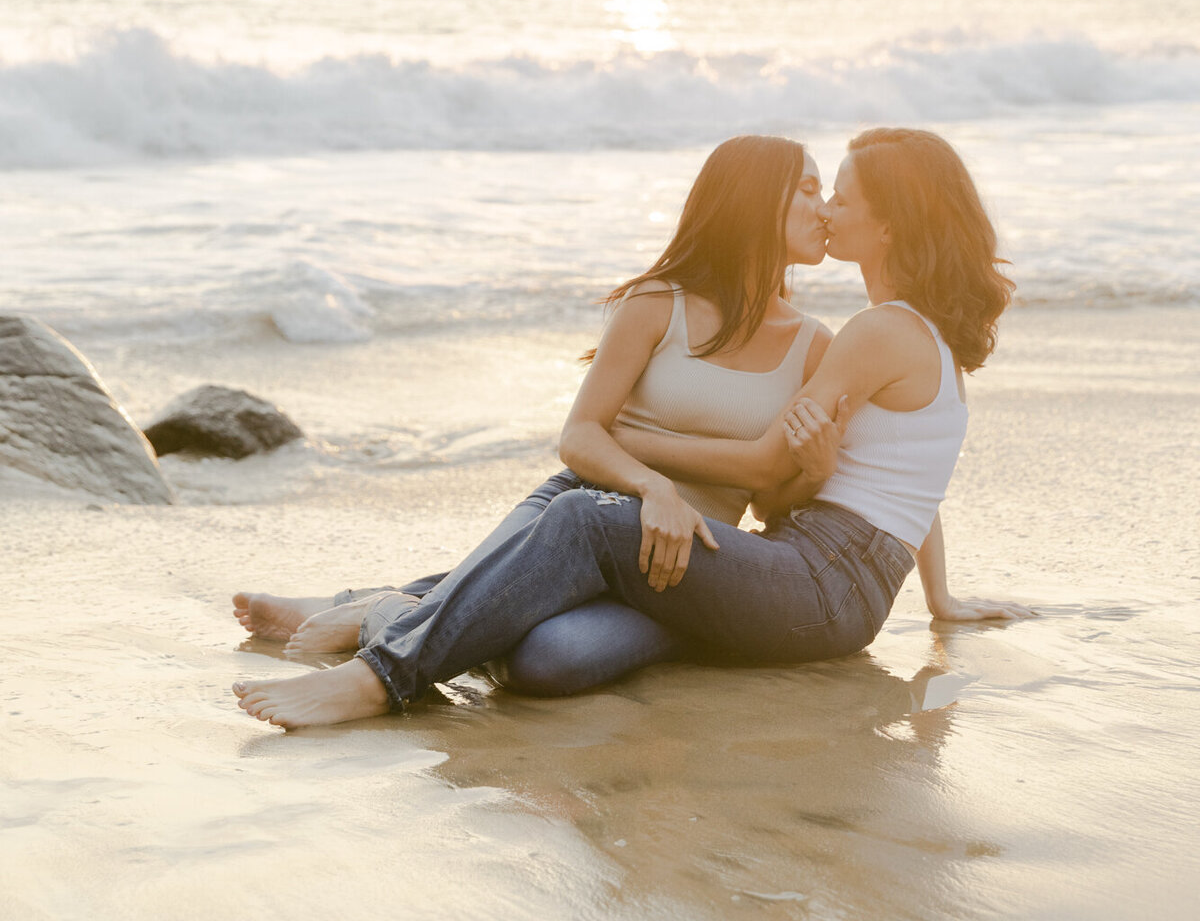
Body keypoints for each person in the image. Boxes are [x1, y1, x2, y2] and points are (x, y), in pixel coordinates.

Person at [233, 127, 1028, 730]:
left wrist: (636, 442)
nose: (829, 211)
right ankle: (392, 609)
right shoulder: (918, 338)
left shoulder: (867, 333)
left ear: (888, 225)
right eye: (817, 193)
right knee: (548, 658)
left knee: (580, 523)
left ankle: (383, 672)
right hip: (818, 577)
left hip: (813, 575)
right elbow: (912, 479)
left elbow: (770, 469)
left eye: (843, 198)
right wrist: (940, 599)